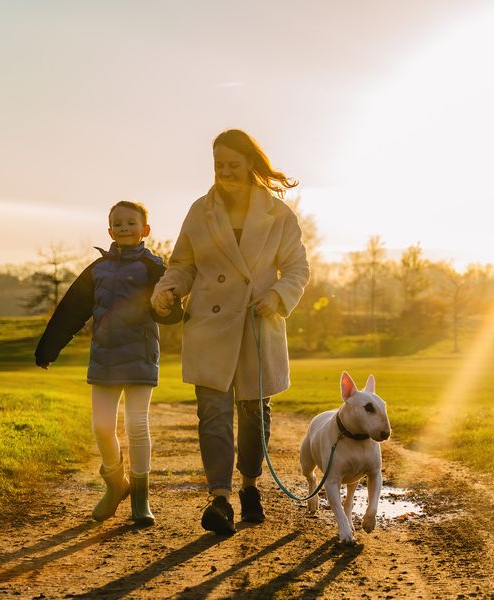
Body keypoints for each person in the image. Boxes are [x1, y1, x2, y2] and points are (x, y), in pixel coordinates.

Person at [151, 129, 310, 535]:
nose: (225, 173)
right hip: (210, 324)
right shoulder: (199, 211)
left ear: (251, 165)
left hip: (258, 324)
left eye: (233, 165)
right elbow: (183, 264)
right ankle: (219, 498)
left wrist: (277, 295)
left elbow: (296, 270)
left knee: (254, 413)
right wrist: (169, 288)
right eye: (219, 166)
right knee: (213, 415)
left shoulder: (279, 215)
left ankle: (250, 485)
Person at [35, 201, 182, 527]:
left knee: (136, 426)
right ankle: (116, 484)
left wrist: (169, 307)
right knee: (101, 427)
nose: (124, 227)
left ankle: (141, 497)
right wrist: (48, 349)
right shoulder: (97, 270)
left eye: (131, 222)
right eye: (118, 223)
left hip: (141, 357)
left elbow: (170, 312)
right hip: (104, 359)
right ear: (109, 230)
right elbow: (71, 311)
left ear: (145, 230)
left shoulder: (154, 268)